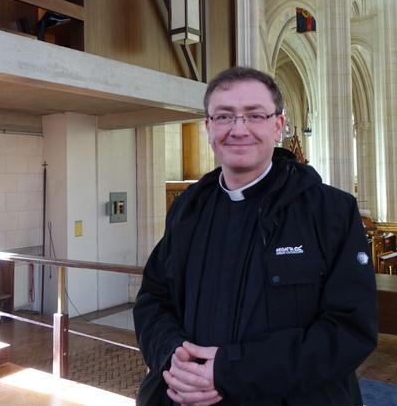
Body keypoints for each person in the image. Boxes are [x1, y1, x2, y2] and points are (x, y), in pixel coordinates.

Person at [133, 66, 378, 406]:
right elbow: (153, 299)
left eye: (254, 115)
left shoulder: (332, 212)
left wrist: (230, 372)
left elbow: (349, 330)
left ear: (278, 125)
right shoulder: (187, 209)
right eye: (224, 116)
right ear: (208, 127)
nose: (238, 129)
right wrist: (172, 355)